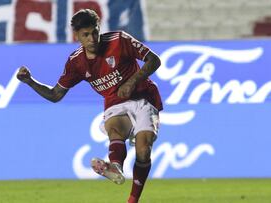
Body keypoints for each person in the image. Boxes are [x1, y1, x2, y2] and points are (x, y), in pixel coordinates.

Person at [16, 8, 162, 203]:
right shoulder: (76, 63)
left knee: (143, 150)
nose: (92, 38)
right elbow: (55, 94)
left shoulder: (119, 40)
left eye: (95, 32)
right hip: (115, 103)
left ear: (99, 28)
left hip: (143, 96)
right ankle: (116, 167)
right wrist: (30, 81)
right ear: (77, 36)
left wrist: (132, 81)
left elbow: (154, 60)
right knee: (115, 129)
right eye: (86, 35)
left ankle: (133, 199)